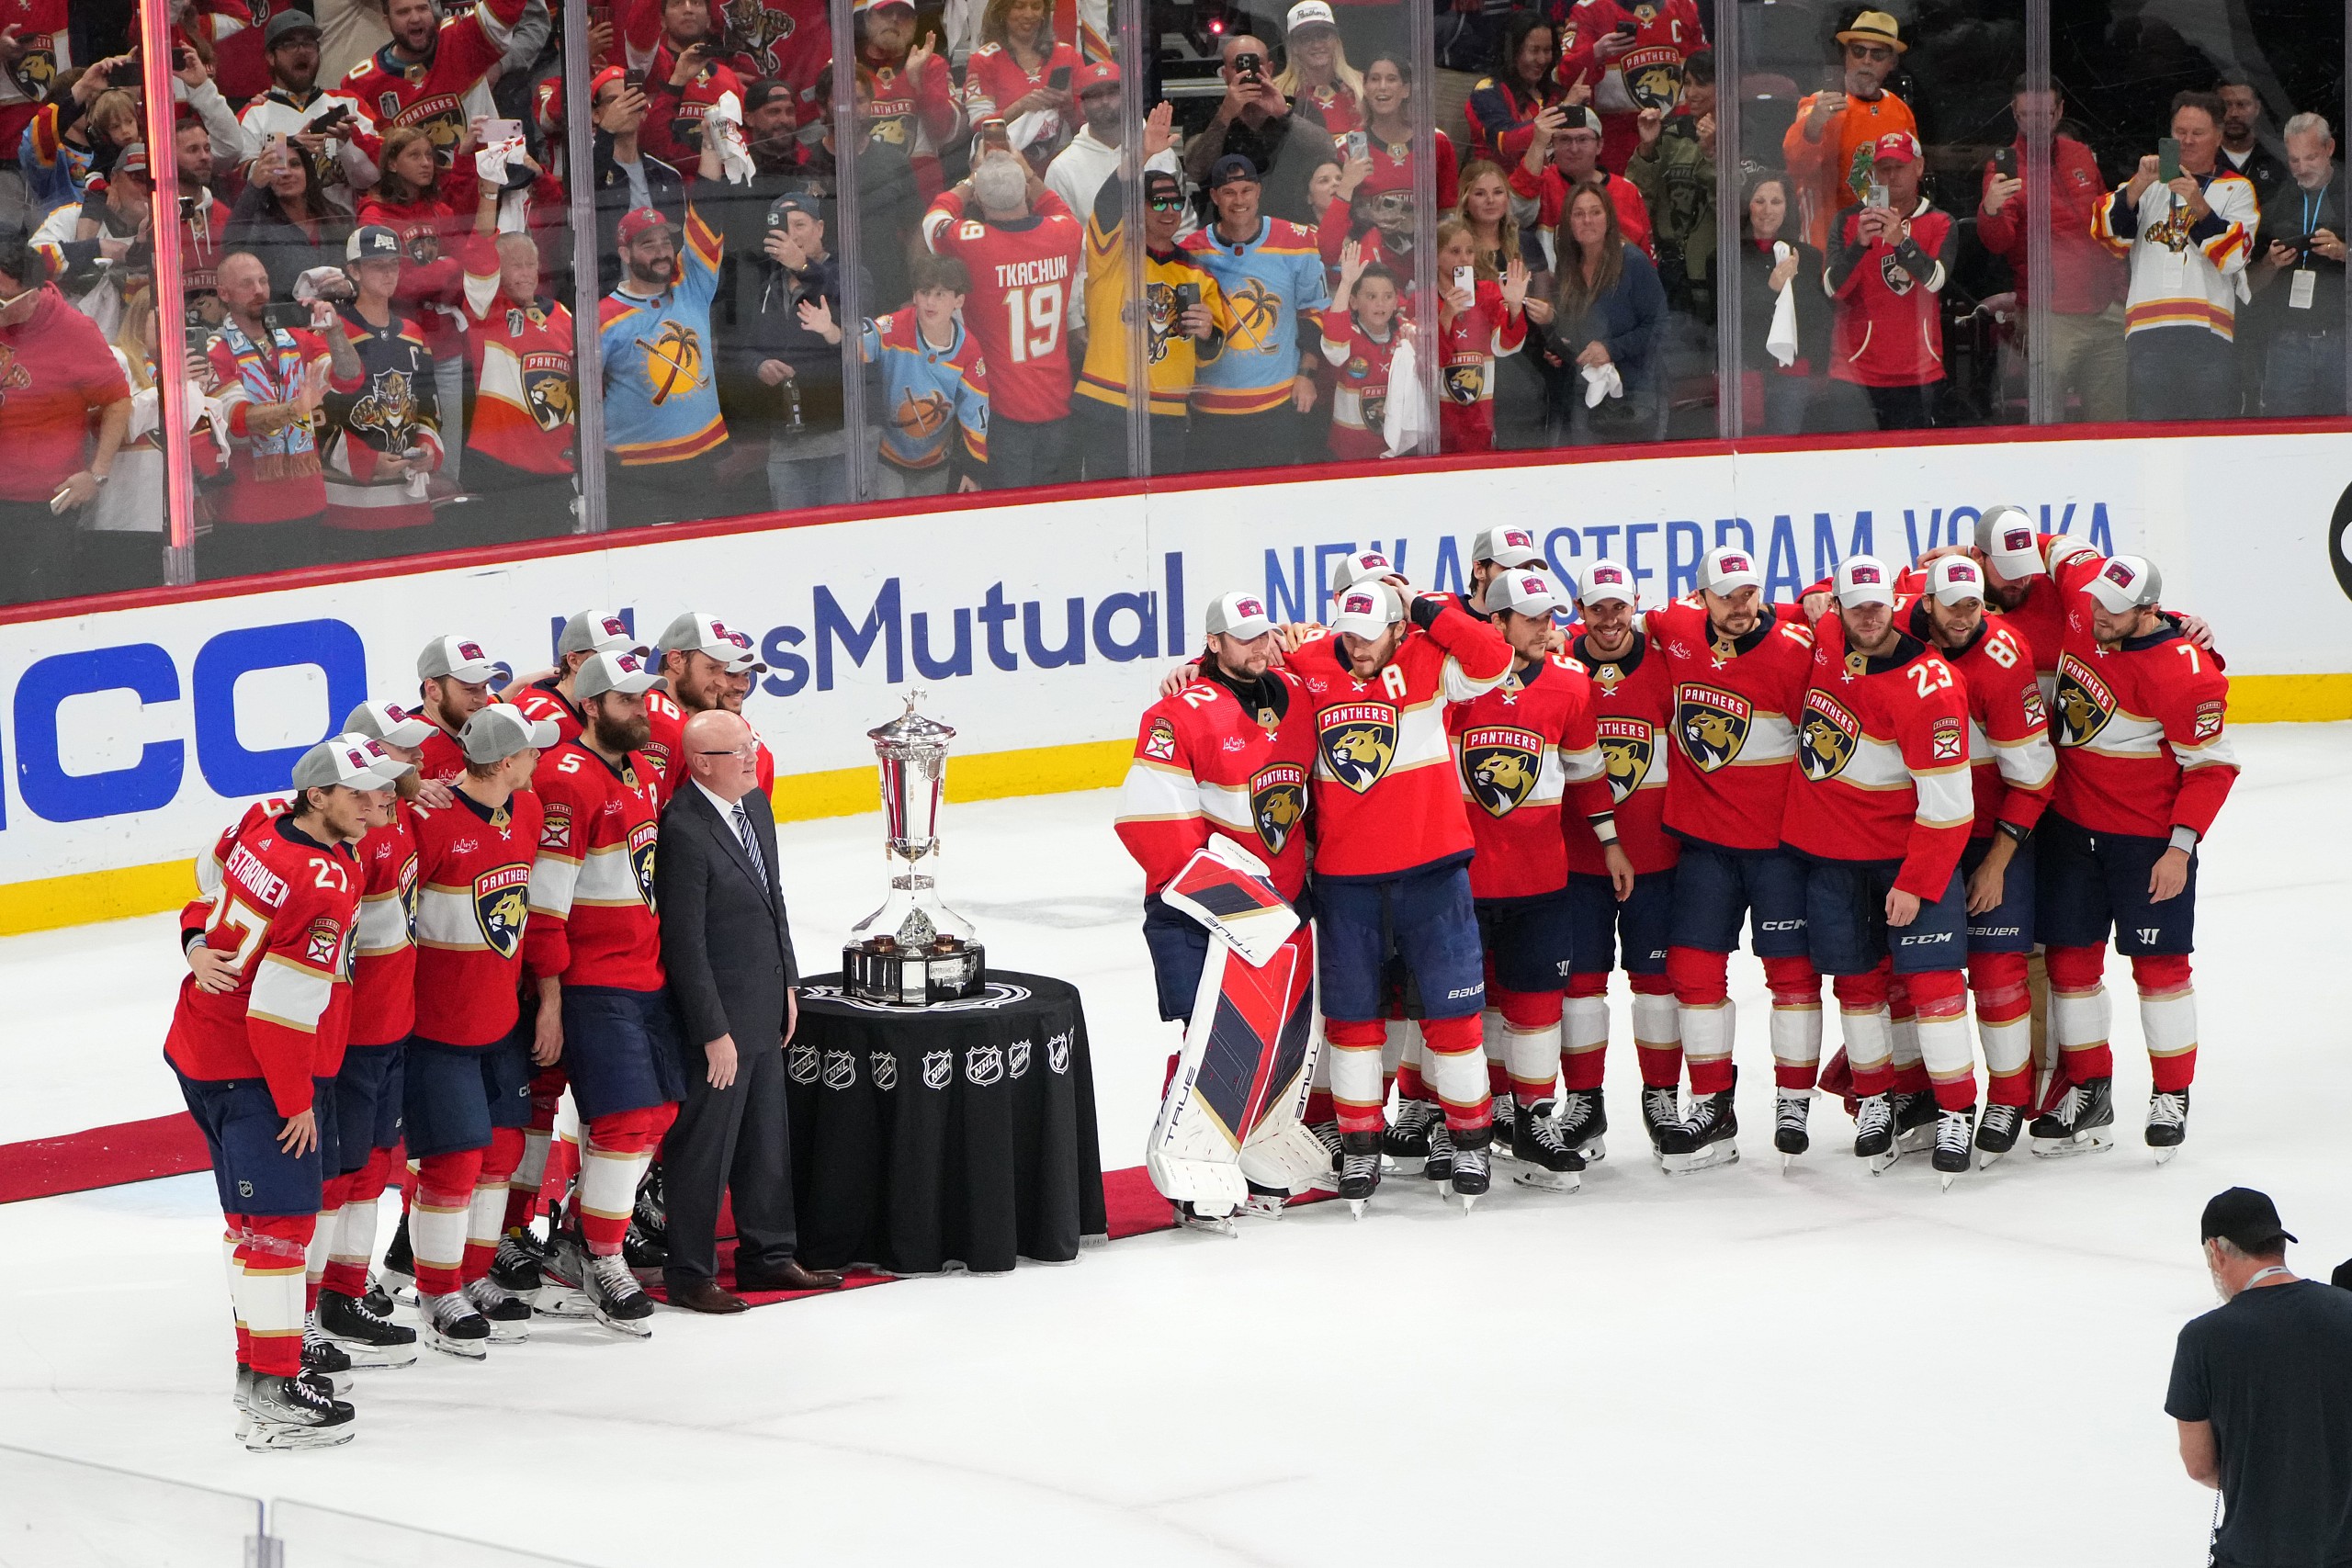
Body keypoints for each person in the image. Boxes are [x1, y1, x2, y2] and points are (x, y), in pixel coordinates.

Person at [167, 734, 396, 1449]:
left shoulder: (260, 819)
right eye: (356, 792)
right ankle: (273, 1390)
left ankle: (257, 1371)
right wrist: (295, 1098)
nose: (372, 802)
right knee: (281, 1230)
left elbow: (208, 885)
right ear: (317, 795)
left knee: (250, 1226)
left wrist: (196, 942)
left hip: (200, 1045)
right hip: (256, 1066)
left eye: (376, 788)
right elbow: (279, 1010)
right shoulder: (328, 883)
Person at [2034, 553, 2237, 1158]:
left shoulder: (2187, 674)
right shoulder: (2086, 602)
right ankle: (2090, 1090)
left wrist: (2179, 848)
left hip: (2147, 843)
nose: (2097, 614)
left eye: (2114, 609)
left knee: (2160, 971)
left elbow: (2213, 766)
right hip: (2072, 829)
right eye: (2096, 601)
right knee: (2071, 966)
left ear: (2148, 611)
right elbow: (2051, 543)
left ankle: (2171, 1094)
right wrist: (1962, 554)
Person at [1781, 556, 1975, 1177]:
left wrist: (1916, 883)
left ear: (1896, 604)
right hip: (1832, 860)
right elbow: (1778, 616)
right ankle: (1875, 1100)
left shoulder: (1933, 686)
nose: (1869, 616)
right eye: (1855, 605)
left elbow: (1950, 805)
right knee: (1858, 987)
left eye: (1878, 605)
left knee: (1935, 987)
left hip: (1904, 860)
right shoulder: (1828, 636)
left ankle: (1955, 1110)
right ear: (1838, 608)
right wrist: (1812, 601)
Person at [657, 707, 843, 1310]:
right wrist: (713, 1029)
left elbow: (773, 900)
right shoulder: (683, 829)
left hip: (766, 1003)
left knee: (767, 1141)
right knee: (706, 1147)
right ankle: (689, 1270)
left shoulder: (754, 805)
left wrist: (788, 981)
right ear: (702, 764)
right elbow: (684, 943)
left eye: (751, 743)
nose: (751, 755)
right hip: (721, 1024)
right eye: (738, 749)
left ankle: (768, 1254)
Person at [1443, 567, 1624, 1186]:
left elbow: (1587, 770)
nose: (1550, 629)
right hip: (1463, 880)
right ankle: (1468, 1115)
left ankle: (1534, 1116)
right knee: (1467, 1005)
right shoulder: (1454, 685)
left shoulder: (1570, 683)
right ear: (1496, 624)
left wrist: (1610, 842)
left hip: (1542, 879)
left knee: (1538, 1005)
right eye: (1534, 619)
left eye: (1550, 617)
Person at [1643, 547, 1822, 1168]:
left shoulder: (1796, 653)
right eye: (1728, 595)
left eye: (1750, 592)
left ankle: (1794, 1103)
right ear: (1701, 598)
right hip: (1704, 844)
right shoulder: (1676, 628)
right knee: (1691, 973)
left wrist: (1807, 602)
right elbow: (1625, 625)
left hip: (1779, 849)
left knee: (1793, 978)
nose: (1741, 604)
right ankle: (1713, 1108)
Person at [522, 650, 684, 1337]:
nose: (641, 712)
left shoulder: (642, 769)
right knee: (625, 1117)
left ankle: (582, 1232)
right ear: (590, 705)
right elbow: (546, 904)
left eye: (643, 700)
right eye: (624, 702)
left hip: (644, 974)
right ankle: (603, 1253)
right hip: (593, 981)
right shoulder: (568, 783)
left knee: (662, 1112)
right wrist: (552, 999)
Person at [401, 703, 549, 1356]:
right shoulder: (428, 821)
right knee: (452, 1160)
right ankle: (436, 1290)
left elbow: (527, 912)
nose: (541, 757)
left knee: (501, 1152)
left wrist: (547, 997)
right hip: (437, 1025)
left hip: (502, 1019)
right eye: (531, 750)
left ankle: (472, 1274)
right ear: (509, 761)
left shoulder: (531, 810)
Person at [1897, 556, 2055, 1164]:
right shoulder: (1896, 625)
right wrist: (1807, 598)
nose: (1966, 617)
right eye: (1953, 605)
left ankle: (2011, 1096)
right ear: (1928, 602)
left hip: (1993, 835)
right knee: (1914, 975)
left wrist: (1996, 863)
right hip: (1918, 835)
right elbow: (1830, 614)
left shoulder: (2001, 657)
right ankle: (1923, 1095)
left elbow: (2036, 776)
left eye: (1975, 604)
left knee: (1996, 971)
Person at [1557, 558, 1680, 1157]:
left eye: (1619, 606)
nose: (1609, 619)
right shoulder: (1557, 667)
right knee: (1580, 985)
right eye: (1596, 607)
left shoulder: (1665, 661)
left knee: (1657, 982)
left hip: (1655, 855)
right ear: (1578, 611)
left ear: (1636, 605)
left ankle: (1662, 1096)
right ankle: (1585, 1102)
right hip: (1577, 858)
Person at [2168, 1187, 2352, 1568]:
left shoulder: (2202, 1338)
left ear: (2216, 1251)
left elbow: (2199, 1464)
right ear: (2279, 1245)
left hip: (2255, 1553)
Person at [2092, 91, 2258, 423]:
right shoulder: (2147, 185)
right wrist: (2138, 183)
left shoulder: (2236, 188)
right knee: (2151, 442)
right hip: (2148, 332)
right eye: (2180, 132)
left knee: (2210, 439)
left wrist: (2198, 204)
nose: (2187, 141)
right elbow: (2107, 236)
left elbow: (2234, 257)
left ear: (2218, 137)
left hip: (2208, 335)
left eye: (2197, 133)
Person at [1975, 76, 2128, 424]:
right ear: (2015, 114)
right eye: (2027, 114)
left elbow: (2108, 223)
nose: (2036, 121)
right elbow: (1998, 242)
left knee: (2114, 425)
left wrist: (2120, 289)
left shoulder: (2080, 154)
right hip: (2050, 317)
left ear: (2059, 111)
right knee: (2047, 428)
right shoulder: (2003, 167)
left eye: (2044, 113)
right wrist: (1991, 210)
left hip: (2106, 308)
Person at [1075, 129, 1227, 479]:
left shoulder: (1196, 271)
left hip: (1169, 416)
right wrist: (1141, 154)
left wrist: (1207, 332)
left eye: (1176, 202)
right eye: (1158, 201)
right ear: (1136, 207)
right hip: (1109, 409)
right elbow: (1107, 205)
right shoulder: (1110, 253)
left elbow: (1212, 349)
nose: (1169, 210)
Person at [601, 132, 733, 526]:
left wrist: (711, 150)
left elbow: (705, 220)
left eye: (664, 241)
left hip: (701, 460)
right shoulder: (604, 317)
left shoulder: (691, 287)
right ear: (625, 254)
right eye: (647, 245)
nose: (661, 251)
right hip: (636, 471)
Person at [0, 236, 130, 605]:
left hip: (41, 510)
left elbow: (118, 401)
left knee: (37, 611)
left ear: (31, 294)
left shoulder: (74, 331)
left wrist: (97, 474)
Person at [1182, 155, 1328, 472]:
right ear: (1215, 197)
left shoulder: (1296, 242)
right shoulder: (1192, 251)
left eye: (1246, 190)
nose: (1239, 200)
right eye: (1229, 192)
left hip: (1275, 406)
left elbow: (1314, 312)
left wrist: (1307, 375)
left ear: (1259, 191)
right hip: (1211, 409)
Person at [458, 162, 578, 540]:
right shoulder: (486, 311)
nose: (525, 273)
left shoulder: (563, 315)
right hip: (501, 468)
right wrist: (489, 192)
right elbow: (478, 253)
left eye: (531, 264)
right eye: (513, 265)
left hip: (555, 469)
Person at [203, 251, 333, 581]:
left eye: (263, 281)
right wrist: (293, 410)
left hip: (307, 503)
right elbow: (236, 422)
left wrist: (338, 330)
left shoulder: (298, 339)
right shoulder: (214, 351)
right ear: (224, 294)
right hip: (245, 512)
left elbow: (348, 377)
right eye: (247, 284)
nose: (259, 290)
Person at [317, 224, 443, 558]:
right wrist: (365, 461)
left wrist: (428, 448)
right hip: (348, 507)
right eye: (377, 265)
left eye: (394, 264)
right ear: (354, 271)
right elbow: (314, 416)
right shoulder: (332, 332)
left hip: (410, 502)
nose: (388, 273)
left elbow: (429, 407)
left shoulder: (414, 333)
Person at [1825, 130, 1955, 432]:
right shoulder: (1848, 221)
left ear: (1919, 167)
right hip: (1854, 375)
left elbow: (1935, 281)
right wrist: (1860, 244)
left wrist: (1901, 242)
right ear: (1873, 173)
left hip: (1919, 375)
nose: (1892, 176)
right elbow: (1834, 289)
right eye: (1884, 168)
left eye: (1901, 167)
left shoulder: (1940, 221)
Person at [730, 192, 849, 510]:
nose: (793, 234)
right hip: (786, 445)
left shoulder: (848, 271)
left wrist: (804, 266)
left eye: (800, 224)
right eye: (785, 227)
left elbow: (853, 313)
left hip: (841, 442)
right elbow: (742, 349)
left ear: (820, 228)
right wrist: (759, 365)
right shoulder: (766, 285)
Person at [1527, 182, 1665, 445]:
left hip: (1634, 394)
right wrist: (1560, 346)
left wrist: (1612, 349)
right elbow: (1578, 328)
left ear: (1609, 218)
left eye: (1595, 212)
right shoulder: (1569, 264)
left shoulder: (1633, 262)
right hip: (1584, 393)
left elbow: (1657, 325)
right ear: (1568, 221)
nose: (1587, 220)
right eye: (1578, 214)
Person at [338, 0, 531, 169]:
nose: (415, 18)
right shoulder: (361, 84)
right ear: (387, 21)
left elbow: (506, 8)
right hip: (415, 205)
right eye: (403, 12)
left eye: (422, 8)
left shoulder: (462, 40)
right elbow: (366, 169)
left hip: (482, 189)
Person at [1781, 8, 1915, 252]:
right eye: (1858, 51)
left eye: (1878, 54)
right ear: (1846, 56)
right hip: (1828, 245)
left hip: (1882, 246)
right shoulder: (1818, 105)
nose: (1866, 60)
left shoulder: (1901, 111)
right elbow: (1795, 166)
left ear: (1892, 62)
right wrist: (1813, 126)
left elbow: (1909, 181)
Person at [857, 251, 990, 494]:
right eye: (924, 293)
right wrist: (834, 333)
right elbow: (856, 346)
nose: (930, 302)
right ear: (915, 296)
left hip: (936, 464)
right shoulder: (893, 327)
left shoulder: (969, 349)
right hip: (886, 458)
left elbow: (975, 412)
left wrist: (973, 469)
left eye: (940, 294)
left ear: (958, 300)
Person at [1182, 33, 1340, 229]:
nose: (1247, 72)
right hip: (1225, 234)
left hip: (1290, 231)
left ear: (1270, 69)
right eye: (1237, 65)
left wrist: (1283, 114)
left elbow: (1327, 152)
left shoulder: (1298, 109)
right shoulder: (1206, 112)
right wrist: (1224, 116)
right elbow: (1196, 170)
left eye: (1256, 63)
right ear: (1225, 74)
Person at [1716, 169, 1829, 434]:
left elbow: (1818, 319)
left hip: (1793, 376)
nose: (1767, 210)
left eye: (1776, 202)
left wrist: (1818, 369)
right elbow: (1728, 316)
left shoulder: (1809, 257)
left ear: (1787, 208)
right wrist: (1772, 288)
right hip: (1745, 374)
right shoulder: (1725, 257)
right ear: (1747, 206)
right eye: (1759, 201)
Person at [236, 11, 379, 217]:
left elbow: (372, 179)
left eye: (309, 43)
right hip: (282, 236)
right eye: (289, 44)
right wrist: (291, 148)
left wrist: (348, 144)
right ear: (270, 56)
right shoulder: (253, 115)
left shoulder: (349, 103)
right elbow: (246, 185)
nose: (301, 51)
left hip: (344, 231)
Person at [2250, 112, 2346, 418]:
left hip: (2343, 338)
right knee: (2282, 435)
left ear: (2330, 148)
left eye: (2311, 158)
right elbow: (2249, 284)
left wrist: (2345, 253)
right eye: (2294, 160)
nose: (2302, 169)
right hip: (2286, 341)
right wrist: (2270, 263)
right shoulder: (2277, 196)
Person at [1554, 0, 1707, 176]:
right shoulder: (1589, 9)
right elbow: (1564, 76)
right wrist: (1596, 52)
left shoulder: (1684, 5)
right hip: (1617, 149)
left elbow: (1708, 70)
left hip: (1680, 143)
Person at [1624, 50, 1714, 316]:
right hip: (1668, 274)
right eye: (1687, 83)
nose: (1692, 92)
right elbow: (1636, 200)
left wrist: (1712, 154)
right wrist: (1647, 148)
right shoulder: (1670, 133)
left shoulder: (1743, 133)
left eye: (1702, 83)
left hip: (1717, 273)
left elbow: (1737, 209)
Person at [649, 611, 775, 798]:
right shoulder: (661, 722)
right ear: (676, 661)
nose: (723, 683)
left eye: (723, 670)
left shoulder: (749, 744)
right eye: (712, 668)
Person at [1510, 104, 1651, 268]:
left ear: (1599, 145)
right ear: (1552, 144)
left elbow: (1646, 260)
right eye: (1564, 139)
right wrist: (1538, 142)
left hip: (1617, 289)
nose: (1574, 149)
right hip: (1551, 290)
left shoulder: (1627, 191)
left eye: (1583, 139)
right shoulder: (1540, 180)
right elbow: (1516, 214)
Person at [1431, 219, 1529, 454]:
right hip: (1437, 425)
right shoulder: (1423, 300)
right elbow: (1428, 363)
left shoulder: (1487, 293)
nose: (1464, 259)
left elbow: (1506, 347)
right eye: (1454, 251)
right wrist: (1446, 316)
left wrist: (1515, 307)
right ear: (1434, 256)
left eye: (1470, 251)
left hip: (1481, 423)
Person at [627, 0, 754, 174]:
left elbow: (741, 149)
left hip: (720, 190)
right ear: (662, 20)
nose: (688, 10)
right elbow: (651, 143)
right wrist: (677, 81)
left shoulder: (728, 77)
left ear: (709, 20)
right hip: (667, 187)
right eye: (677, 3)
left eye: (696, 3)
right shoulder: (652, 64)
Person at [854, 0, 961, 200]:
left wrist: (919, 83)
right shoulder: (844, 66)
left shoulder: (931, 64)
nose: (894, 19)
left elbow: (945, 132)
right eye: (886, 12)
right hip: (864, 190)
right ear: (868, 19)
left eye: (903, 14)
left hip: (920, 193)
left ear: (914, 24)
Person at [224, 135, 352, 300]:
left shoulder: (338, 216)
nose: (286, 173)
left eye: (295, 164)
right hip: (287, 321)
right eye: (277, 167)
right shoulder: (258, 225)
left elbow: (362, 274)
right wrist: (254, 187)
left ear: (307, 170)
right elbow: (231, 247)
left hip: (341, 319)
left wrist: (349, 287)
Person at [960, 0, 1080, 157]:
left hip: (1062, 164)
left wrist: (1068, 105)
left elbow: (1089, 121)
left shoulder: (1067, 54)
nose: (1028, 14)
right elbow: (979, 126)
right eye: (1019, 6)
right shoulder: (983, 60)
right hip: (1006, 165)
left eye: (1036, 7)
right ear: (1002, 11)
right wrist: (1021, 106)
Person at [1320, 244, 1403, 460]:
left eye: (1387, 296)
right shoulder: (1349, 336)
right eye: (1371, 296)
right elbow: (1335, 351)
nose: (1380, 304)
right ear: (1354, 302)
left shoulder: (1406, 335)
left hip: (1394, 450)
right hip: (1348, 452)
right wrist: (1346, 283)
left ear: (1396, 301)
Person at [1352, 51, 1456, 211]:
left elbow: (1448, 211)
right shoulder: (1352, 143)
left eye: (1392, 79)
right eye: (1374, 79)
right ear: (1365, 88)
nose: (1382, 87)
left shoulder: (1435, 141)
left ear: (1406, 90)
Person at [1465, 13, 1563, 166]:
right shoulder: (1487, 91)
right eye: (1534, 50)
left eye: (1547, 50)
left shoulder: (1555, 92)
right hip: (1501, 186)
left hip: (1549, 185)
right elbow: (1507, 143)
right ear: (1512, 52)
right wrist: (1564, 110)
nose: (1542, 59)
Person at [413, 633, 505, 779]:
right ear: (433, 690)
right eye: (469, 689)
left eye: (484, 687)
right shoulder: (407, 751)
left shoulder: (479, 724)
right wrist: (406, 790)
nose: (482, 700)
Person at [2213, 73, 2288, 204]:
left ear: (2257, 108)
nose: (2234, 113)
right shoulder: (2201, 157)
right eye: (2226, 105)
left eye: (2242, 104)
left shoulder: (2280, 157)